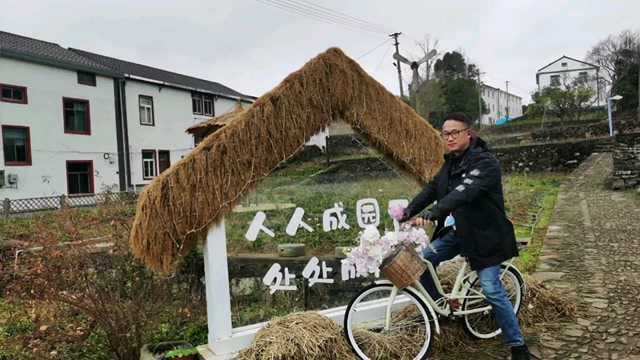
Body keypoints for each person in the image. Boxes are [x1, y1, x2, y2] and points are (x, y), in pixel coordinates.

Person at [399, 112, 531, 360]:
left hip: (486, 235)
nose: (448, 138)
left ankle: (518, 346)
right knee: (423, 260)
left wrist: (432, 214)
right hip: (460, 232)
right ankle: (443, 307)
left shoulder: (485, 163)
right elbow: (432, 190)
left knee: (492, 289)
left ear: (468, 133)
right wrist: (408, 211)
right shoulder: (450, 164)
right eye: (445, 134)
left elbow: (463, 193)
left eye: (454, 133)